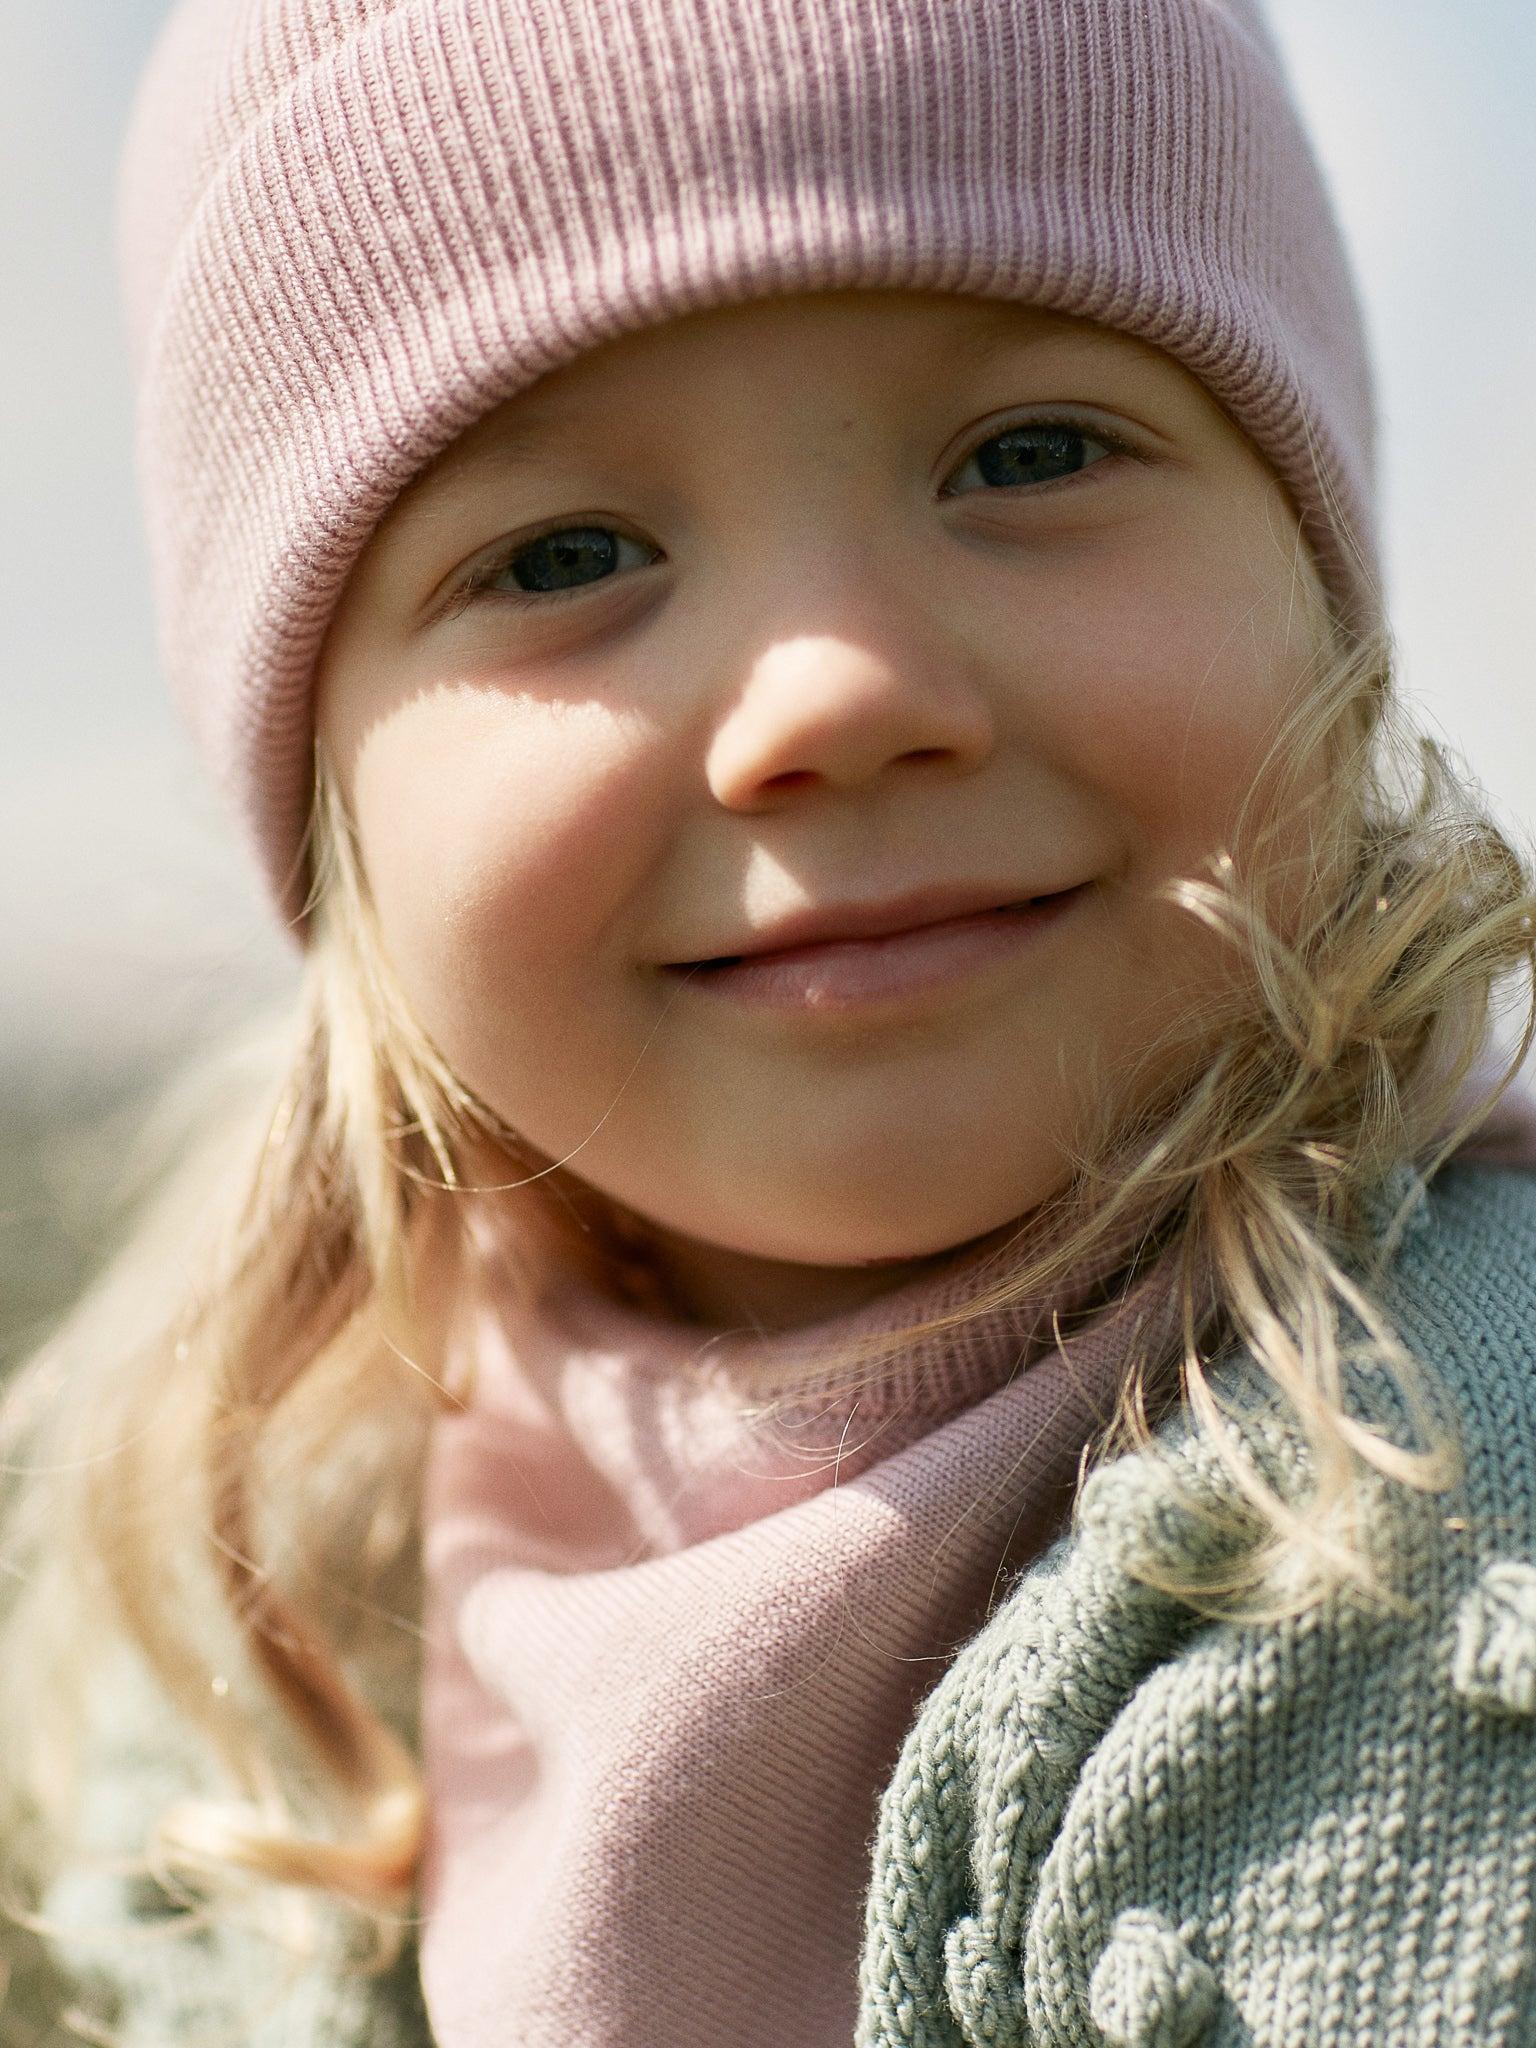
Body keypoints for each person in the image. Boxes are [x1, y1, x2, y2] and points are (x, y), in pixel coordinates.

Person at [3, 0, 1536, 2042]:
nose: (836, 690)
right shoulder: (280, 1600)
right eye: (565, 555)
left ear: (1319, 591)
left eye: (1033, 451)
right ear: (329, 805)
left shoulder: (1428, 1519)